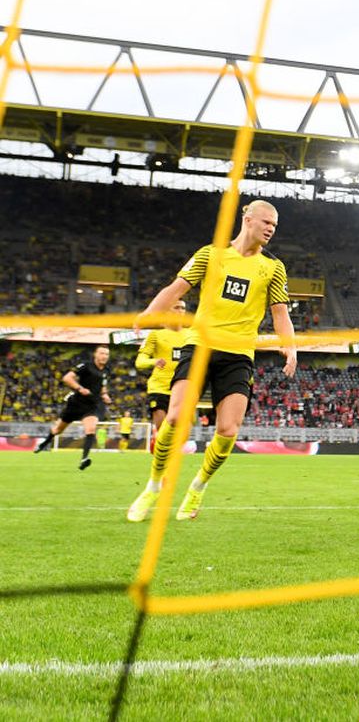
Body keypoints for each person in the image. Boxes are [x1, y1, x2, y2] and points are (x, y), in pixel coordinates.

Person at [126, 200, 296, 522]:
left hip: (238, 354)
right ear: (247, 219)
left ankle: (197, 487)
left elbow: (280, 313)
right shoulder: (210, 255)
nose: (271, 228)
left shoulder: (274, 267)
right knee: (175, 418)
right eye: (266, 221)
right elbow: (176, 288)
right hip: (200, 345)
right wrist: (149, 313)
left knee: (229, 429)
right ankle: (153, 486)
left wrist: (290, 345)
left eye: (275, 225)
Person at [33, 345, 113, 470]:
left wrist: (105, 395)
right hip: (76, 404)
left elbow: (103, 386)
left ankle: (84, 459)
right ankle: (44, 443)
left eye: (106, 354)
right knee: (58, 430)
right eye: (102, 353)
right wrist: (80, 388)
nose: (104, 356)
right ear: (95, 355)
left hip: (92, 405)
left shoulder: (106, 370)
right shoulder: (86, 366)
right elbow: (67, 378)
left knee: (91, 429)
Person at [135, 299, 189, 452]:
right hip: (159, 388)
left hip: (181, 389)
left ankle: (165, 451)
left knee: (182, 434)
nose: (180, 311)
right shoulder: (155, 335)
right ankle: (162, 459)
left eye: (183, 308)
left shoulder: (191, 335)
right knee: (163, 430)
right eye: (176, 307)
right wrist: (154, 361)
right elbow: (140, 362)